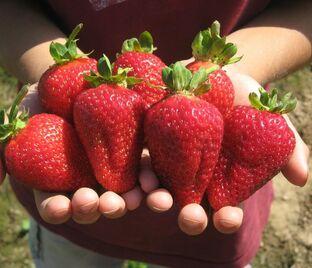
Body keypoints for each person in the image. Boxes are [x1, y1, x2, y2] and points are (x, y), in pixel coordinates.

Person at [0, 0, 311, 267]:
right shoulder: (81, 109)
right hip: (73, 223)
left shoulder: (218, 112)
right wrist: (49, 69)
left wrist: (228, 71)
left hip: (210, 228)